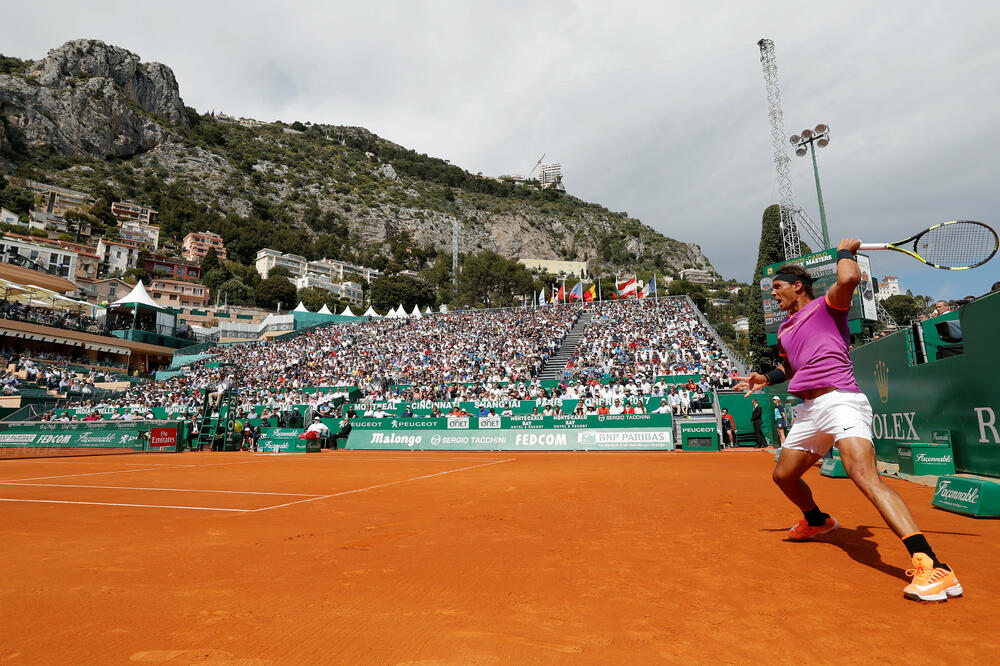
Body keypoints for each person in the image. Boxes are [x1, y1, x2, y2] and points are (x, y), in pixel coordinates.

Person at [735, 240, 962, 602]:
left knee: (862, 474)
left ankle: (933, 565)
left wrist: (845, 251)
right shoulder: (784, 329)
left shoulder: (829, 307)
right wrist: (765, 378)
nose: (773, 294)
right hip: (808, 412)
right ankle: (817, 520)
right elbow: (789, 366)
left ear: (797, 286)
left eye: (777, 287)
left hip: (841, 400)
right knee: (783, 475)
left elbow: (850, 276)